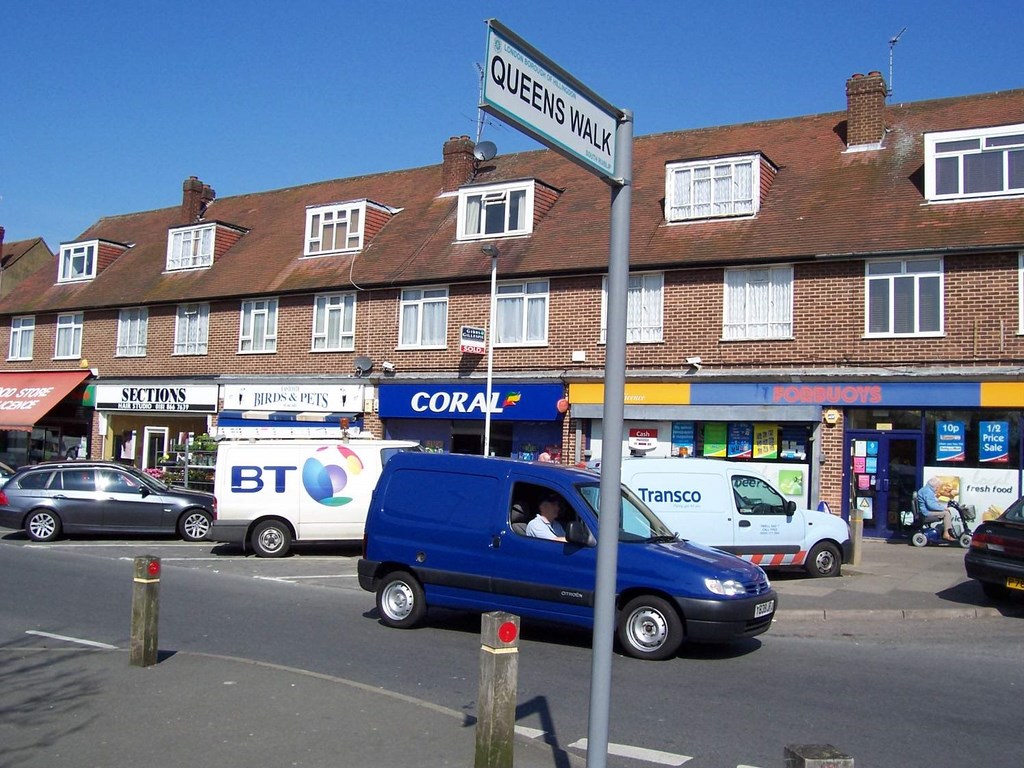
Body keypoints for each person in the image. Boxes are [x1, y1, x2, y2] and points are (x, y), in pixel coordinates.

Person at [918, 477, 955, 541]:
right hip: (927, 513)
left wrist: (941, 507)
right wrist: (943, 508)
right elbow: (931, 505)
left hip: (927, 511)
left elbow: (932, 503)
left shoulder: (926, 490)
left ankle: (945, 531)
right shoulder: (928, 491)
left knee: (946, 512)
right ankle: (946, 534)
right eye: (938, 487)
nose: (938, 488)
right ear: (934, 485)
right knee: (946, 513)